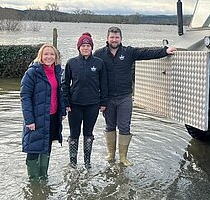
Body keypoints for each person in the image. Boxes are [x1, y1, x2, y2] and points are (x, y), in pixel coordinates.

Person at [94, 26, 175, 166]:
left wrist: (164, 51)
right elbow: (91, 73)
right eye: (112, 37)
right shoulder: (99, 54)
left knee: (125, 127)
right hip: (107, 98)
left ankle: (123, 158)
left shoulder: (129, 52)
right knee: (110, 126)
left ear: (121, 39)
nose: (114, 40)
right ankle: (110, 154)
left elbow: (146, 52)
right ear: (107, 38)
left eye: (117, 37)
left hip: (125, 96)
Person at [62, 32, 108, 169]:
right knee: (74, 134)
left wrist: (103, 102)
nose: (86, 48)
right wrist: (66, 102)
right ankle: (73, 162)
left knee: (88, 133)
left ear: (91, 47)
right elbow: (65, 84)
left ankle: (87, 162)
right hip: (74, 105)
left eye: (88, 45)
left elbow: (103, 84)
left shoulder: (98, 63)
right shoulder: (71, 63)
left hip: (92, 105)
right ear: (78, 48)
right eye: (83, 45)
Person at [20, 43, 66, 181]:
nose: (49, 57)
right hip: (36, 118)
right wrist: (30, 120)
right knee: (33, 148)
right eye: (46, 54)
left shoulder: (58, 72)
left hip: (52, 116)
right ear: (40, 56)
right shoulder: (32, 72)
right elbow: (25, 96)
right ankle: (33, 180)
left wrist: (62, 112)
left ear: (56, 57)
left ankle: (43, 176)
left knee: (46, 146)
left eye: (52, 54)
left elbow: (60, 93)